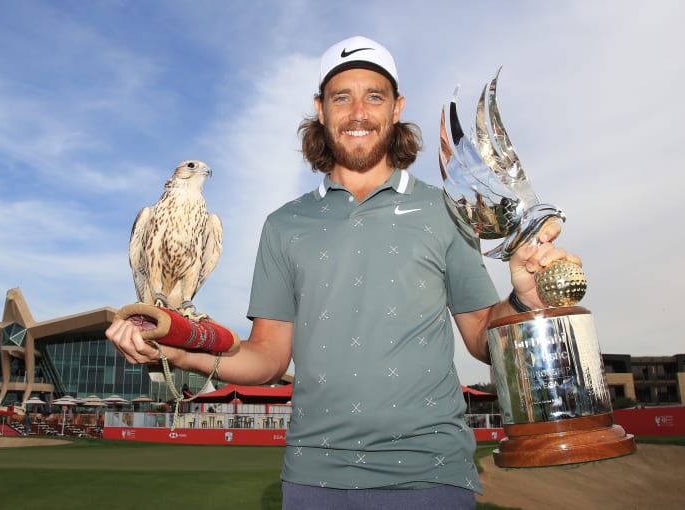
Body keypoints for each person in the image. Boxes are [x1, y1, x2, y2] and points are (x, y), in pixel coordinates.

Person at [107, 35, 579, 509]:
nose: (358, 113)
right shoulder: (284, 224)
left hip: (430, 474)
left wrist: (523, 302)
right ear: (321, 109)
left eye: (374, 96)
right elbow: (268, 359)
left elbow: (481, 338)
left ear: (396, 107)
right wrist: (180, 353)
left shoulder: (445, 210)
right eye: (341, 98)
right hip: (313, 477)